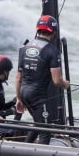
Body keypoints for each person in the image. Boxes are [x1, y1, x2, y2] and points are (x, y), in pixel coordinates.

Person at [15, 15, 70, 145]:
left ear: (37, 29)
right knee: (45, 131)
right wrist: (66, 84)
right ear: (54, 32)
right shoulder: (53, 51)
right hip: (37, 96)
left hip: (23, 93)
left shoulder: (24, 48)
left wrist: (19, 98)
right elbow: (57, 81)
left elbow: (18, 77)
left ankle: (23, 151)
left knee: (38, 122)